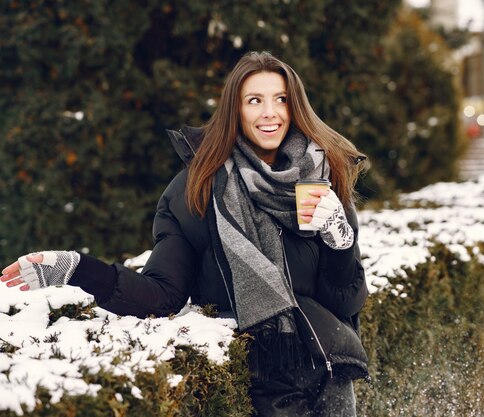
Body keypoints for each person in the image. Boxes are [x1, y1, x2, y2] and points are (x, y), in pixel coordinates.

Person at [1, 51, 369, 416]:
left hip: (330, 375)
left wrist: (339, 240)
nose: (269, 112)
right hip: (260, 384)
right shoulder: (195, 191)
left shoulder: (322, 178)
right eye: (254, 100)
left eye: (281, 99)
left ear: (295, 107)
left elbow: (344, 303)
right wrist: (76, 268)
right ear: (235, 110)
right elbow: (162, 295)